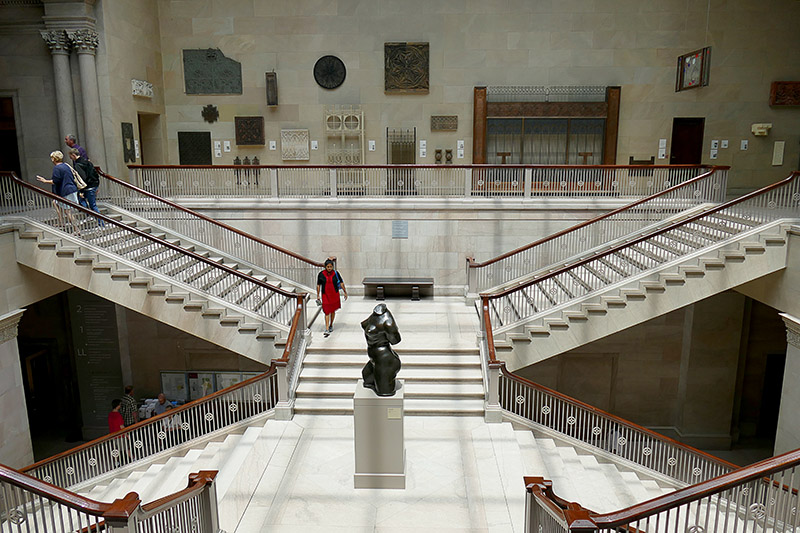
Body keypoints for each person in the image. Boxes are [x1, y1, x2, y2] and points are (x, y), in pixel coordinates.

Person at [36, 150, 80, 234]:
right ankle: (61, 222)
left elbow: (56, 181)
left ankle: (76, 228)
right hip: (71, 189)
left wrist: (45, 181)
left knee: (68, 211)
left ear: (54, 159)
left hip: (65, 191)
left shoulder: (57, 168)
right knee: (55, 202)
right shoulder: (66, 166)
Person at [316, 259, 347, 337]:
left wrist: (345, 292)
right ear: (325, 267)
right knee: (326, 311)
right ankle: (326, 328)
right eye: (328, 267)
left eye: (331, 267)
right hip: (325, 295)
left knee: (332, 310)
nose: (329, 268)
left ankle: (331, 324)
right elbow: (318, 285)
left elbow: (341, 282)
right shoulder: (321, 274)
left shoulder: (336, 273)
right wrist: (318, 295)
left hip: (334, 295)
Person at [68, 147, 101, 218]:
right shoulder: (87, 162)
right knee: (92, 204)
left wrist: (81, 191)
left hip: (88, 187)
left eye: (70, 157)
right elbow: (95, 174)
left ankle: (97, 220)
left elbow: (82, 178)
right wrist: (97, 186)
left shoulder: (78, 165)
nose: (71, 158)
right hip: (93, 185)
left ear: (73, 155)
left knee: (88, 203)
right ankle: (94, 218)